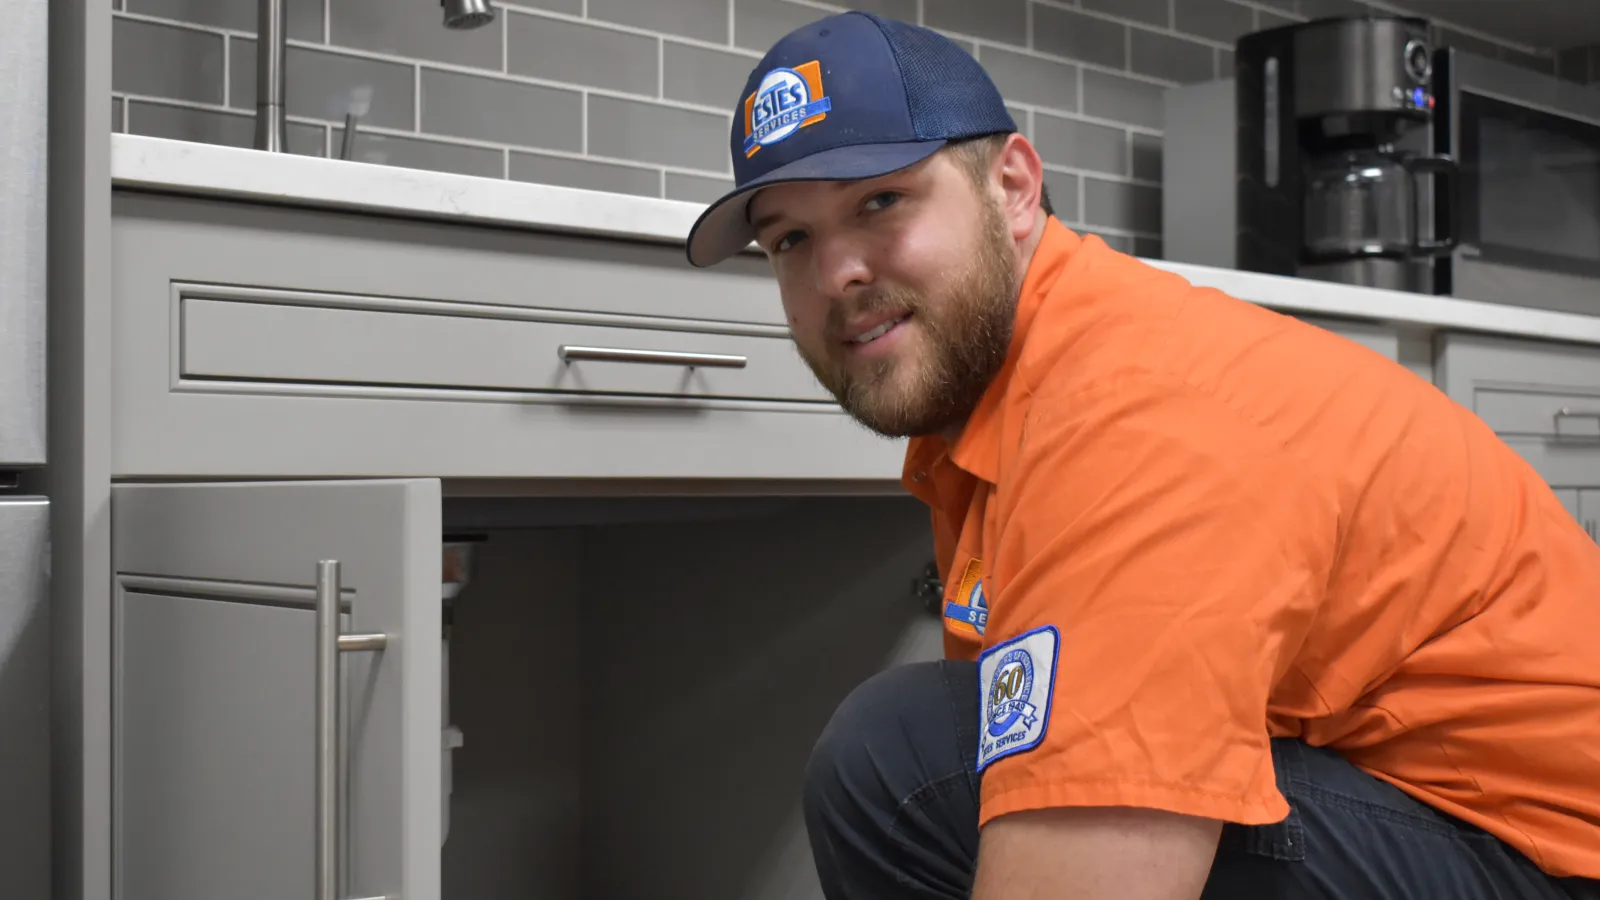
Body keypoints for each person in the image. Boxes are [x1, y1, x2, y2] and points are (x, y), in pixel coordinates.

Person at [684, 11, 1600, 900]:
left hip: (1544, 857)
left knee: (900, 760)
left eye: (881, 200)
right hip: (1437, 809)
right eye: (791, 240)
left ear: (1012, 187)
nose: (835, 272)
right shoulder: (1003, 383)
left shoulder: (1131, 421)